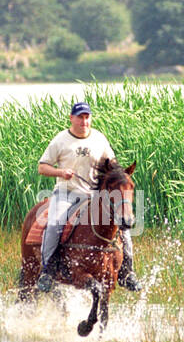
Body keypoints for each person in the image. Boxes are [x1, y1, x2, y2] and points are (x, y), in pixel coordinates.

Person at [36, 100, 142, 292]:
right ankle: (48, 271)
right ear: (72, 118)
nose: (84, 121)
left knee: (122, 226)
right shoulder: (60, 140)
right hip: (66, 193)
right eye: (80, 117)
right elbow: (42, 167)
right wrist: (61, 173)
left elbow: (112, 164)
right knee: (54, 224)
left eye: (87, 117)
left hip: (93, 195)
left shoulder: (99, 139)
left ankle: (127, 272)